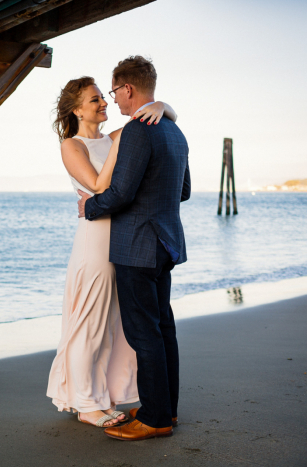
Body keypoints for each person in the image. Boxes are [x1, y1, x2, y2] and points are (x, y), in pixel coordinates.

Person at [46, 74, 178, 428]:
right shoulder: (71, 145)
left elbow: (160, 115)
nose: (104, 103)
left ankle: (105, 395)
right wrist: (122, 142)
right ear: (77, 109)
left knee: (115, 326)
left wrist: (162, 105)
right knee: (88, 322)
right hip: (95, 240)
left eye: (104, 97)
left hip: (124, 239)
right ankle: (85, 403)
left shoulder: (115, 136)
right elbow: (98, 185)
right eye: (94, 100)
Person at [77, 56, 190, 440]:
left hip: (137, 244)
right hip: (165, 241)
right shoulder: (174, 131)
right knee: (163, 328)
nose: (116, 101)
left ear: (128, 88)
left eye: (115, 92)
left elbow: (121, 193)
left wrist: (89, 206)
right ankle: (166, 409)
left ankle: (156, 419)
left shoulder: (139, 130)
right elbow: (183, 191)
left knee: (144, 333)